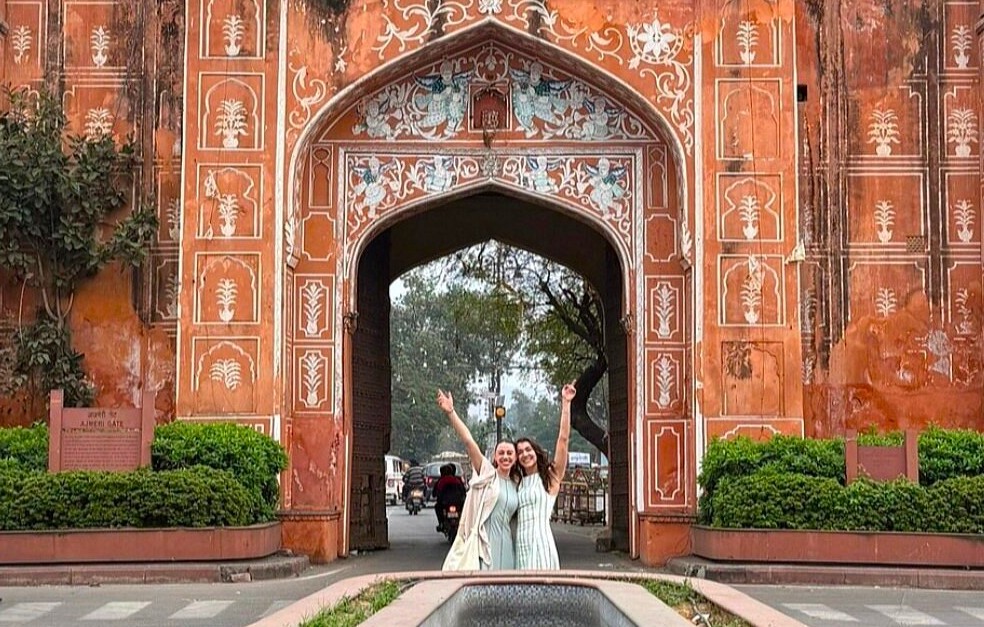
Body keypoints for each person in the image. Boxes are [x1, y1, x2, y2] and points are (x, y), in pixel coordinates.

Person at [437, 389, 521, 571]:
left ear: (515, 458)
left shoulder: (517, 483)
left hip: (507, 546)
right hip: (484, 546)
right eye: (501, 453)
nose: (505, 457)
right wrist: (451, 413)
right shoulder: (487, 474)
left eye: (509, 453)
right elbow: (468, 441)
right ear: (495, 457)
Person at [515, 381, 576, 570]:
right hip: (520, 545)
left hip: (541, 543)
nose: (525, 454)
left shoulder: (550, 476)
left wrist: (566, 404)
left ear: (536, 451)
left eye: (528, 449)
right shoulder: (518, 482)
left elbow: (563, 440)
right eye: (520, 452)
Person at [434, 463, 466, 532]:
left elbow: (436, 493)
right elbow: (463, 492)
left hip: (445, 503)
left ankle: (441, 523)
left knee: (437, 507)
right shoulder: (457, 480)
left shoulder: (441, 481)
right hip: (458, 502)